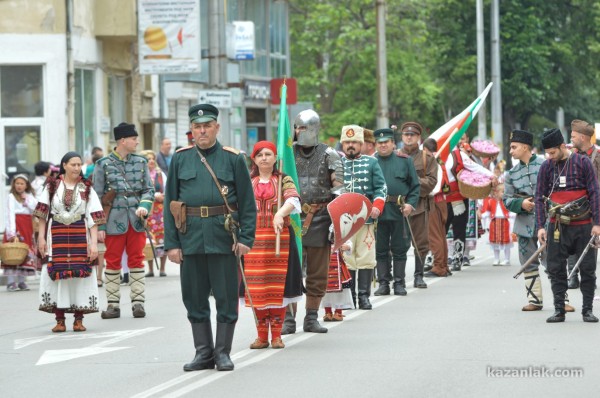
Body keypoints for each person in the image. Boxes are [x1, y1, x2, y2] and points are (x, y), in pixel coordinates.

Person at [164, 103, 256, 371]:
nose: (201, 131)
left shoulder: (233, 158)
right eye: (197, 127)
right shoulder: (180, 158)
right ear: (191, 130)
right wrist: (172, 244)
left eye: (206, 126)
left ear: (217, 127)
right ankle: (203, 353)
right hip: (190, 237)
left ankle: (223, 352)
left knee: (227, 297)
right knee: (194, 297)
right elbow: (171, 203)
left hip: (224, 237)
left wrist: (245, 239)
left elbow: (247, 205)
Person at [283, 109, 343, 334]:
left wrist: (334, 224)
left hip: (320, 218)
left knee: (318, 273)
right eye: (297, 128)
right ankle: (288, 319)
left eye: (304, 128)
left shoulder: (330, 154)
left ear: (314, 129)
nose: (299, 132)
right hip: (293, 219)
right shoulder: (287, 154)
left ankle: (311, 317)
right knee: (291, 271)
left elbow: (340, 192)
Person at [34, 152, 105, 332]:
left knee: (80, 277)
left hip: (80, 236)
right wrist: (41, 238)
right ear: (64, 165)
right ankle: (59, 319)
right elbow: (42, 214)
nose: (77, 168)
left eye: (79, 164)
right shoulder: (51, 186)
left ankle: (78, 319)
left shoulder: (87, 188)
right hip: (55, 235)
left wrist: (94, 244)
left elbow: (93, 217)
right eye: (73, 164)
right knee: (57, 276)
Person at [535, 128, 600, 323]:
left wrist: (597, 224)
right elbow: (539, 198)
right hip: (556, 226)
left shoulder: (583, 163)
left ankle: (587, 310)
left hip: (583, 225)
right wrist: (540, 226)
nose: (550, 156)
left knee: (588, 269)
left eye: (553, 152)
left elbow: (595, 193)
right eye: (547, 153)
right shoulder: (546, 167)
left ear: (563, 146)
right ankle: (559, 309)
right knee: (556, 268)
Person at [243, 141, 303, 350]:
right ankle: (261, 336)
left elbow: (293, 200)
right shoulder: (247, 181)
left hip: (280, 241)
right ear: (254, 159)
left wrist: (280, 213)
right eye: (260, 155)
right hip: (253, 242)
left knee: (278, 287)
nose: (264, 158)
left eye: (268, 154)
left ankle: (277, 335)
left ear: (275, 157)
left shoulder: (283, 179)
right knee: (257, 289)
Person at [93, 123, 155, 319]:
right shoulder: (102, 164)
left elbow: (149, 189)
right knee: (112, 261)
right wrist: (101, 225)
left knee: (137, 259)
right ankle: (113, 305)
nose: (137, 141)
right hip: (113, 220)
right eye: (134, 138)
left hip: (136, 219)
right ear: (122, 140)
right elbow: (97, 196)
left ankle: (138, 303)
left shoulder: (141, 162)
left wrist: (145, 205)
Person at [339, 125, 387, 309]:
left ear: (361, 144)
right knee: (347, 258)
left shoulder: (371, 163)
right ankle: (349, 297)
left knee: (366, 258)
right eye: (347, 142)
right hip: (343, 222)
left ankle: (364, 297)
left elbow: (381, 188)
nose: (350, 145)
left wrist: (377, 206)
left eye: (354, 142)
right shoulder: (337, 163)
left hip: (365, 220)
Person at [503, 129, 547, 311]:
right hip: (524, 224)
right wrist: (521, 203)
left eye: (514, 147)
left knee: (554, 259)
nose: (511, 151)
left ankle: (563, 301)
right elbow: (506, 199)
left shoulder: (545, 165)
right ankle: (535, 300)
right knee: (527, 259)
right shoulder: (511, 174)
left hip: (547, 220)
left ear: (525, 146)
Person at [373, 128, 420, 295]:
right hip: (378, 212)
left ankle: (399, 283)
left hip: (399, 210)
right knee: (380, 249)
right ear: (375, 145)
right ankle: (383, 283)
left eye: (386, 142)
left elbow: (415, 186)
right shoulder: (371, 162)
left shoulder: (404, 161)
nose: (383, 145)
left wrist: (410, 205)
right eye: (380, 143)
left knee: (400, 248)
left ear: (393, 143)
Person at [443, 133, 496, 271]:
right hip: (440, 199)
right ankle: (436, 259)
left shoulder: (460, 155)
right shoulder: (437, 154)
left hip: (458, 198)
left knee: (459, 229)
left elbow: (476, 168)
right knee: (439, 229)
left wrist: (492, 176)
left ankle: (457, 258)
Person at [398, 122, 438, 288]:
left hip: (419, 206)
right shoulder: (395, 157)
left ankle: (418, 276)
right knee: (398, 244)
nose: (409, 137)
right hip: (398, 206)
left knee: (421, 243)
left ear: (418, 138)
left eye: (412, 135)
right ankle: (398, 279)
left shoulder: (426, 158)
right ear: (402, 137)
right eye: (406, 135)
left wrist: (411, 183)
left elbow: (431, 181)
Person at [568, 119, 600, 289]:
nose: (571, 139)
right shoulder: (572, 156)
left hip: (593, 204)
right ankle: (572, 275)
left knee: (591, 241)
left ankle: (589, 277)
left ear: (582, 137)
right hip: (574, 205)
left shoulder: (598, 155)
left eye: (573, 136)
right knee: (570, 239)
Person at [422, 138, 452, 278]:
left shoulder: (433, 163)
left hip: (433, 202)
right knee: (440, 235)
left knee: (434, 235)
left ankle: (439, 266)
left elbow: (435, 187)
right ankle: (443, 265)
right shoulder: (439, 162)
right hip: (440, 202)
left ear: (426, 150)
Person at [3, 174, 38, 291]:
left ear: (26, 185)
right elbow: (10, 214)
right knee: (12, 253)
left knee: (23, 253)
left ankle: (22, 281)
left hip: (26, 227)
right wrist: (11, 233)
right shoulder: (11, 196)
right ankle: (11, 282)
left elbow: (36, 208)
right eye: (17, 183)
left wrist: (26, 200)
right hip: (16, 226)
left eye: (22, 183)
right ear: (14, 184)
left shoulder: (29, 196)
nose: (19, 186)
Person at [139, 150, 168, 277]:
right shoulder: (140, 175)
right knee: (149, 239)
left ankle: (162, 268)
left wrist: (162, 196)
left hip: (160, 212)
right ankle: (150, 269)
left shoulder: (160, 174)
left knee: (162, 239)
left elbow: (168, 190)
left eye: (152, 158)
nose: (151, 161)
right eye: (148, 159)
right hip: (148, 211)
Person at [481, 184, 513, 265]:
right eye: (502, 192)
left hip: (504, 222)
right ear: (496, 193)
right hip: (494, 223)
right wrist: (482, 216)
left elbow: (511, 212)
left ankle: (507, 259)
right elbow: (488, 212)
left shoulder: (507, 202)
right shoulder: (490, 201)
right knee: (494, 242)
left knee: (506, 241)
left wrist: (513, 215)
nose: (504, 194)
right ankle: (496, 258)